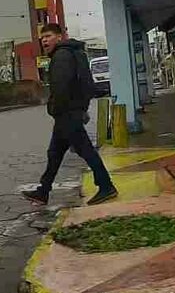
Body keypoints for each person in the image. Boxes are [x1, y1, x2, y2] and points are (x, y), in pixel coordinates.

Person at [23, 24, 118, 206]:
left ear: (59, 37)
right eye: (42, 38)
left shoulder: (62, 56)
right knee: (55, 153)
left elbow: (61, 87)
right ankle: (43, 191)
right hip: (70, 112)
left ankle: (106, 186)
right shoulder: (73, 53)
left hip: (66, 113)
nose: (44, 40)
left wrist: (53, 108)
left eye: (48, 36)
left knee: (85, 150)